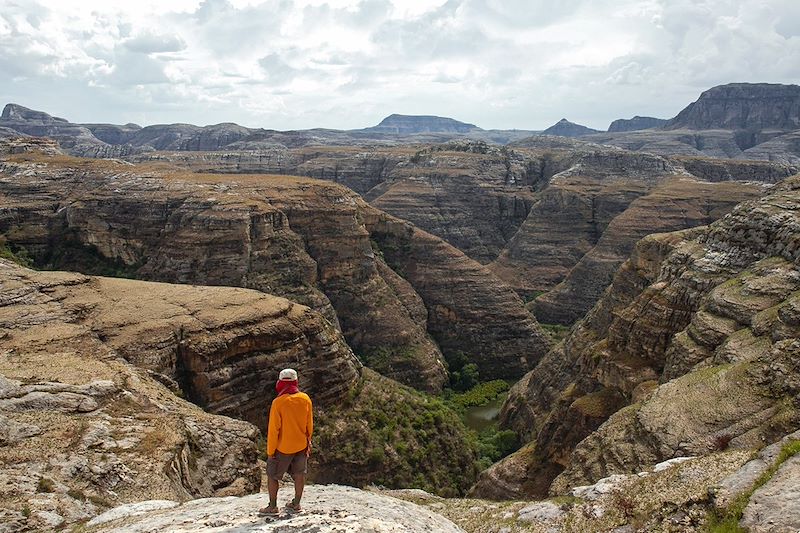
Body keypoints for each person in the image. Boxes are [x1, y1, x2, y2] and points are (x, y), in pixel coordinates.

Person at [259, 368, 313, 516]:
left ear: (280, 383)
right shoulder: (305, 399)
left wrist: (270, 453)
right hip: (301, 444)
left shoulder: (278, 402)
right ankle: (296, 504)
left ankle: (272, 506)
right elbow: (310, 425)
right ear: (296, 382)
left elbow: (273, 430)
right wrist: (308, 441)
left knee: (272, 475)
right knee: (299, 474)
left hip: (283, 447)